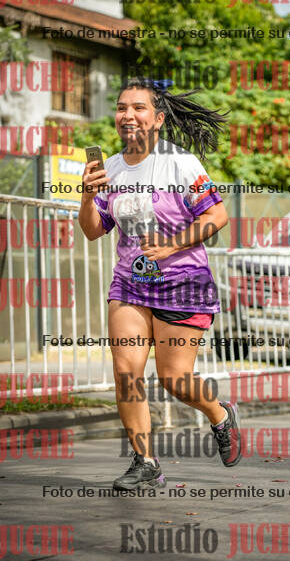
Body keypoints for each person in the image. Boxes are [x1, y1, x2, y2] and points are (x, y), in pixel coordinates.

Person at [78, 77, 242, 491]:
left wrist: (172, 245)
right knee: (126, 372)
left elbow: (217, 216)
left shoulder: (180, 163)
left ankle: (220, 414)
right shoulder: (111, 169)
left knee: (175, 379)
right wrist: (86, 195)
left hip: (183, 284)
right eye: (122, 107)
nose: (128, 115)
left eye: (139, 108)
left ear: (158, 118)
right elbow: (94, 230)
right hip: (131, 284)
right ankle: (145, 462)